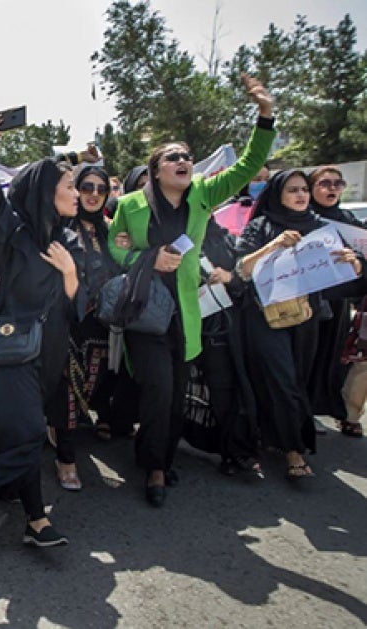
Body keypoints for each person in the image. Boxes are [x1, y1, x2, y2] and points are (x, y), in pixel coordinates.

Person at [107, 73, 276, 507]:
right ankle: (154, 467)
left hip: (187, 312)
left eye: (187, 155)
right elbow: (115, 246)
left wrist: (265, 115)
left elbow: (246, 165)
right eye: (173, 156)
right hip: (145, 311)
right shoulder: (130, 205)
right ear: (155, 170)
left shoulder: (204, 194)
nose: (183, 160)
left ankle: (164, 454)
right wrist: (143, 258)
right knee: (159, 389)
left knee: (177, 393)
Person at [0, 111, 80, 547]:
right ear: (46, 190)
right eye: (70, 185)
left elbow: (77, 304)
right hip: (14, 351)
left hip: (51, 351)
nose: (78, 192)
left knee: (17, 429)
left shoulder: (65, 239)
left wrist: (70, 275)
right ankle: (35, 519)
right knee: (31, 432)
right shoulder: (15, 231)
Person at [233, 170, 365, 479]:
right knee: (282, 378)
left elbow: (349, 272)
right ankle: (294, 450)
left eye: (304, 189)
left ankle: (274, 436)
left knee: (296, 379)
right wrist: (273, 246)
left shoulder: (322, 229)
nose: (301, 195)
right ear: (278, 194)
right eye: (292, 190)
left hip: (306, 320)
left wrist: (355, 262)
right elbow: (241, 270)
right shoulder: (261, 227)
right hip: (263, 319)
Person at [54, 166, 121, 491]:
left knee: (89, 388)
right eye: (87, 187)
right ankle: (66, 459)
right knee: (67, 390)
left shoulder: (112, 231)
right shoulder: (59, 227)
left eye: (101, 189)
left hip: (101, 326)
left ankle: (60, 433)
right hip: (66, 321)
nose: (94, 194)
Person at [194, 217, 262, 477]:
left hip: (217, 328)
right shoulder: (161, 234)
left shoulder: (222, 240)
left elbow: (242, 285)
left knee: (224, 388)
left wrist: (228, 278)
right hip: (175, 328)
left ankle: (234, 451)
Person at [306, 165, 365, 433]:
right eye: (324, 183)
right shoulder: (302, 217)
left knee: (332, 356)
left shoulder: (347, 220)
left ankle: (331, 408)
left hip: (338, 300)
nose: (332, 189)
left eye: (337, 184)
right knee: (308, 355)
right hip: (308, 299)